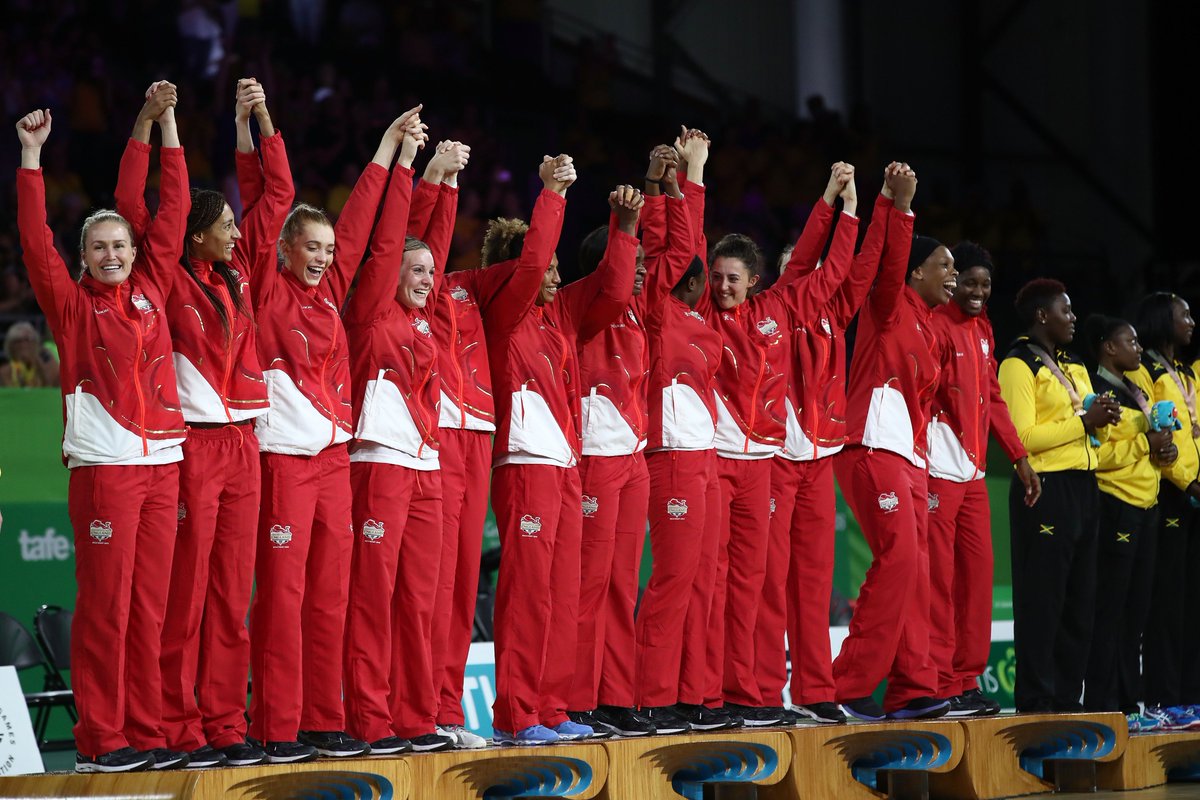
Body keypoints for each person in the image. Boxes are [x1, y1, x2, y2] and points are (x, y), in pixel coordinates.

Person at [17, 102, 189, 773]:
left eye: (120, 245)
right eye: (99, 247)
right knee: (107, 611)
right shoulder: (71, 304)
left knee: (150, 610)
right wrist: (32, 159)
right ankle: (100, 741)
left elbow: (172, 214)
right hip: (106, 471)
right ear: (84, 256)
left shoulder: (152, 286)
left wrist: (165, 128)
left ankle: (146, 733)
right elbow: (35, 243)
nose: (112, 255)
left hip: (162, 465)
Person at [114, 79, 273, 770]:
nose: (237, 233)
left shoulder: (235, 274)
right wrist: (159, 124)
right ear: (197, 235)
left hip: (247, 447)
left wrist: (254, 121)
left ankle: (224, 721)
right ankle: (178, 724)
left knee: (232, 593)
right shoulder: (169, 280)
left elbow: (275, 195)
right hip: (196, 447)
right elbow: (144, 203)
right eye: (225, 226)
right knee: (187, 595)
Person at [681, 137, 860, 726]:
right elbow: (689, 244)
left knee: (756, 582)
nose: (725, 287)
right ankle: (725, 691)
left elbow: (822, 264)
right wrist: (696, 172)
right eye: (719, 278)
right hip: (717, 461)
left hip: (761, 464)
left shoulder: (778, 309)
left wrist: (841, 204)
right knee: (722, 581)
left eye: (735, 279)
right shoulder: (705, 315)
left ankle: (758, 694)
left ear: (756, 282)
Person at [243, 83, 386, 763]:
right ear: (286, 250)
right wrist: (261, 119)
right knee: (284, 595)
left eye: (330, 249)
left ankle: (324, 719)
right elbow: (269, 200)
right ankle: (275, 724)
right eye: (314, 247)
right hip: (284, 462)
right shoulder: (265, 289)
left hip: (333, 461)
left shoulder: (331, 291)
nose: (327, 256)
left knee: (331, 597)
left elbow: (360, 222)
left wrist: (388, 149)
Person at [484, 159, 642, 746]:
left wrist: (623, 227)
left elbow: (617, 289)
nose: (552, 276)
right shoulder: (504, 314)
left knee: (562, 591)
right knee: (526, 594)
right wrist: (551, 194)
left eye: (555, 267)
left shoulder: (562, 317)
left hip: (566, 466)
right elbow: (527, 267)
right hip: (525, 464)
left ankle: (551, 707)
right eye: (545, 268)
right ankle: (517, 714)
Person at [342, 113, 469, 755]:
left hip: (425, 466)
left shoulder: (429, 322)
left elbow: (431, 248)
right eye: (412, 272)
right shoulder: (369, 315)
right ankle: (369, 717)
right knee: (374, 596)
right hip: (378, 463)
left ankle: (416, 718)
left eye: (429, 274)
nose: (424, 277)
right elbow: (392, 243)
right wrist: (408, 168)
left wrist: (446, 186)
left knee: (420, 600)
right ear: (388, 277)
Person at [567, 141, 700, 738]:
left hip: (631, 459)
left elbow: (683, 250)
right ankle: (576, 697)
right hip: (595, 456)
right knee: (590, 584)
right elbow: (623, 275)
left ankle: (617, 695)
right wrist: (642, 198)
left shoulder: (643, 307)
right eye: (633, 262)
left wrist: (669, 186)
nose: (647, 272)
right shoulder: (589, 309)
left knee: (622, 582)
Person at [759, 162, 884, 726]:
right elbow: (823, 262)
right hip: (775, 462)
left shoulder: (836, 314)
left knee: (812, 584)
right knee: (767, 579)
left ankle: (813, 690)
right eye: (797, 274)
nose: (811, 283)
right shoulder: (776, 311)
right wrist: (840, 205)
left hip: (818, 462)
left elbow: (860, 267)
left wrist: (879, 205)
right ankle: (761, 692)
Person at [832, 164, 957, 722]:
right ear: (916, 273)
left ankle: (914, 686)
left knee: (918, 567)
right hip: (870, 447)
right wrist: (898, 206)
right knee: (900, 557)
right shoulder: (889, 308)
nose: (952, 276)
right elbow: (885, 264)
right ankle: (847, 683)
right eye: (944, 267)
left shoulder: (932, 326)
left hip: (909, 459)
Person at [631, 143, 730, 732]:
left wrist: (690, 178)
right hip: (669, 458)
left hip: (706, 459)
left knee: (705, 580)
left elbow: (693, 247)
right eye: (700, 273)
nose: (703, 276)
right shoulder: (658, 311)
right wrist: (672, 183)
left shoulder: (703, 321)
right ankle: (653, 694)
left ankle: (696, 694)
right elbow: (673, 248)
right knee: (672, 580)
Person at [924, 242, 1040, 717]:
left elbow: (992, 398)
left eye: (984, 284)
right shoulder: (934, 323)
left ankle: (967, 679)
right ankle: (935, 680)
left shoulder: (983, 329)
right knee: (938, 580)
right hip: (935, 467)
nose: (975, 291)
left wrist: (1019, 458)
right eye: (967, 282)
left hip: (971, 474)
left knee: (977, 577)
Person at [998, 278, 1119, 712]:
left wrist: (1105, 415)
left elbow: (1086, 413)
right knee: (1043, 600)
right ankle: (1036, 700)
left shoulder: (1071, 363)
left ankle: (1068, 699)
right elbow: (1021, 436)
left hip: (1086, 487)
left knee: (1079, 602)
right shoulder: (1017, 363)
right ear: (1041, 316)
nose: (1073, 318)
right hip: (1045, 489)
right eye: (1065, 311)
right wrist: (1085, 422)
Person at [1080, 314, 1171, 731]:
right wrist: (1143, 443)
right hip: (1117, 505)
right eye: (1129, 341)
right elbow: (1099, 458)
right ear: (1108, 348)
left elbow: (1143, 445)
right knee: (1111, 611)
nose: (1138, 348)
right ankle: (1102, 704)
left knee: (1135, 612)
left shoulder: (1135, 388)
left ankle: (1129, 706)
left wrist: (1161, 453)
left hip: (1147, 505)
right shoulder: (1098, 395)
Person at [1132, 293, 1200, 729]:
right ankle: (1163, 697)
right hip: (1173, 492)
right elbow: (1160, 435)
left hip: (1196, 495)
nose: (1192, 322)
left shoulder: (1186, 373)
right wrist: (1189, 480)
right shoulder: (1148, 371)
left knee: (1192, 603)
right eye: (1184, 315)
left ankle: (1191, 697)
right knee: (1167, 603)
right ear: (1162, 320)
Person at [0, 321, 59, 387]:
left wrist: (37, 363)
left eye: (27, 339)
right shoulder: (4, 371)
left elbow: (51, 387)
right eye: (18, 341)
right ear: (10, 346)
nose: (23, 345)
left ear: (35, 343)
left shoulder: (49, 363)